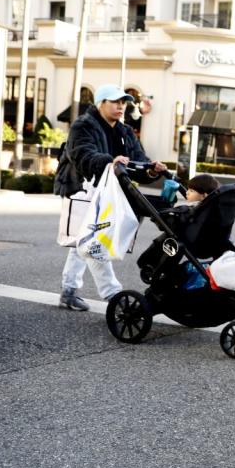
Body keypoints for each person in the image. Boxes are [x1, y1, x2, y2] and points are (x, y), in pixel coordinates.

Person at [54, 84, 167, 311]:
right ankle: (114, 295)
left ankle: (68, 291)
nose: (121, 106)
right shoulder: (83, 126)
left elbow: (137, 160)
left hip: (109, 192)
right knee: (94, 242)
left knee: (82, 240)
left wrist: (151, 169)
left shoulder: (124, 131)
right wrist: (109, 161)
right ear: (101, 103)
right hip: (83, 187)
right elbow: (82, 153)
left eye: (123, 102)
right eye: (115, 102)